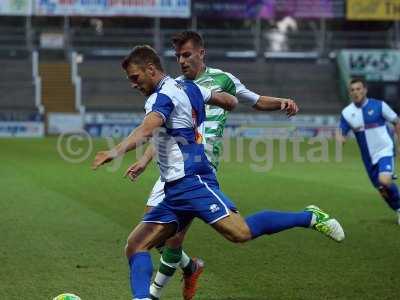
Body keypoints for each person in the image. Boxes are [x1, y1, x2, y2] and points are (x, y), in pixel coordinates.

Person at [92, 45, 345, 300]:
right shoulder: (188, 87)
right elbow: (229, 101)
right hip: (176, 187)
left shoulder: (162, 97)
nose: (133, 84)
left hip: (192, 180)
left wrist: (114, 152)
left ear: (150, 69)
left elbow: (147, 130)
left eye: (135, 78)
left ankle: (309, 216)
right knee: (136, 245)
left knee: (240, 233)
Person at [124, 30, 300, 300]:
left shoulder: (222, 79)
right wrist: (145, 160)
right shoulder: (176, 86)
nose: (182, 61)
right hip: (173, 167)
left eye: (187, 55)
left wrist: (280, 102)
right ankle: (189, 268)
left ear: (201, 53)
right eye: (178, 56)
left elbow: (253, 100)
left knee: (174, 237)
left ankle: (154, 293)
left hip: (199, 169)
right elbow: (162, 132)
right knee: (153, 236)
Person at [337, 78, 400, 223]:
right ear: (349, 93)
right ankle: (398, 208)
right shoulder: (347, 112)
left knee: (384, 180)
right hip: (368, 158)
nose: (356, 92)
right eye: (352, 90)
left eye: (358, 89)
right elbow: (341, 130)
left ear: (365, 90)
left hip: (385, 150)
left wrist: (399, 144)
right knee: (382, 189)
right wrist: (340, 138)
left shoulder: (379, 106)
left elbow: (396, 121)